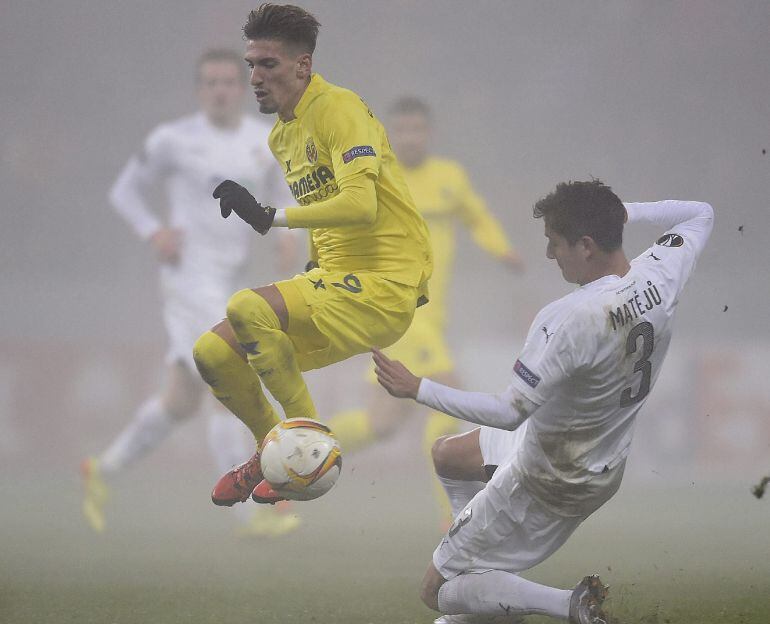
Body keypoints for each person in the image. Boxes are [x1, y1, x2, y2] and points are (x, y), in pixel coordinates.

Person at [373, 180, 713, 624]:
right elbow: (700, 212)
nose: (551, 255)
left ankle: (569, 605)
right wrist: (617, 211)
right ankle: (486, 567)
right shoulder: (660, 273)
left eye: (555, 244)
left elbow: (509, 412)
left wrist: (417, 388)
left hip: (553, 475)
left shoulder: (571, 318)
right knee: (448, 455)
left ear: (585, 246)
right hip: (591, 454)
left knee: (438, 593)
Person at [192, 3, 432, 506]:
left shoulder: (338, 108)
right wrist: (316, 259)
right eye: (251, 65)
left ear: (303, 66)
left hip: (386, 284)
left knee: (246, 306)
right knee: (211, 353)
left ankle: (306, 444)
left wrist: (269, 216)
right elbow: (323, 204)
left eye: (268, 65)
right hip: (341, 281)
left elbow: (361, 205)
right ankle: (271, 450)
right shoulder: (282, 134)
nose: (255, 77)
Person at [81, 48, 298, 536]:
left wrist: (288, 236)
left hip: (230, 277)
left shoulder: (262, 141)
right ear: (199, 90)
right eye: (211, 82)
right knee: (229, 373)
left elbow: (283, 193)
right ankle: (250, 512)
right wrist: (153, 231)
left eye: (228, 81)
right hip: (187, 278)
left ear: (240, 89)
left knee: (180, 400)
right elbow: (124, 192)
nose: (220, 89)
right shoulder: (172, 140)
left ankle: (101, 471)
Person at [327, 97, 523, 526]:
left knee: (380, 424)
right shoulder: (376, 178)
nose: (410, 137)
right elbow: (341, 226)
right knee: (450, 405)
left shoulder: (450, 177)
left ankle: (292, 457)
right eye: (402, 130)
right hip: (401, 312)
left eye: (418, 129)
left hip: (432, 319)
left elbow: (478, 217)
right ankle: (453, 520)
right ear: (389, 135)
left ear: (429, 133)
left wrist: (502, 249)